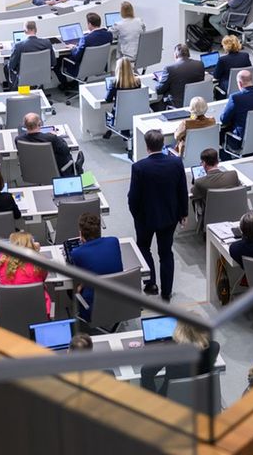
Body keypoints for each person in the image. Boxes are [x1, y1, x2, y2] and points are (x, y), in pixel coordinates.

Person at [128, 129, 188, 300]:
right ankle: (167, 292)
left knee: (143, 247)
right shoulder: (176, 163)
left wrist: (137, 216)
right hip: (169, 217)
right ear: (163, 144)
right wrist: (183, 213)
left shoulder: (139, 167)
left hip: (145, 219)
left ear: (147, 146)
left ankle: (151, 283)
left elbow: (133, 197)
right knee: (166, 253)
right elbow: (182, 190)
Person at [69, 211, 124, 321]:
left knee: (71, 289)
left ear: (81, 234)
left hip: (93, 310)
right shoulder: (114, 241)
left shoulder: (77, 253)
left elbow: (81, 278)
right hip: (120, 303)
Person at [0, 231, 51, 315]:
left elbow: (0, 279)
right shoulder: (39, 263)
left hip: (7, 314)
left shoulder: (2, 261)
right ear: (31, 245)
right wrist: (37, 252)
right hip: (38, 313)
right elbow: (43, 279)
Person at [220, 69, 253, 146]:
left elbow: (224, 120)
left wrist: (226, 109)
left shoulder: (235, 98)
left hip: (242, 140)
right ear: (251, 80)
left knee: (222, 132)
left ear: (240, 83)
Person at [19, 112, 80, 176]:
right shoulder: (51, 138)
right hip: (57, 171)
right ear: (39, 124)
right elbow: (65, 150)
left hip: (33, 173)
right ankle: (78, 169)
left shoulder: (19, 139)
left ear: (25, 125)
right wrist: (57, 137)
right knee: (66, 156)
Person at [190, 145, 241, 213]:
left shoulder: (200, 182)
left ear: (204, 164)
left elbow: (193, 194)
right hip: (233, 213)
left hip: (211, 216)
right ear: (218, 161)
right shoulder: (233, 175)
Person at [6, 20, 54, 89]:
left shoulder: (18, 46)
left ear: (25, 31)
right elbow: (53, 62)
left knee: (6, 67)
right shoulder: (47, 43)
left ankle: (15, 91)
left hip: (24, 78)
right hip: (41, 75)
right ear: (36, 29)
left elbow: (11, 66)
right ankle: (38, 89)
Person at [156, 44, 205, 108]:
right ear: (188, 54)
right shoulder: (200, 64)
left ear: (176, 55)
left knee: (155, 105)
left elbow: (159, 90)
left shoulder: (169, 69)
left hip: (178, 104)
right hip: (197, 102)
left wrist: (160, 81)